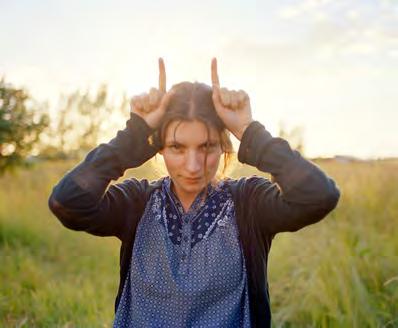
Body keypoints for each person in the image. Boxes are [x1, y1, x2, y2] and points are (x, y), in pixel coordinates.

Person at [48, 58, 340, 327]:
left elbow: (318, 195)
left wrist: (249, 130)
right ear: (160, 147)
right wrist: (133, 135)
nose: (193, 166)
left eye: (207, 147)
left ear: (225, 146)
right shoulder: (136, 203)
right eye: (177, 147)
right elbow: (67, 202)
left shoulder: (249, 203)